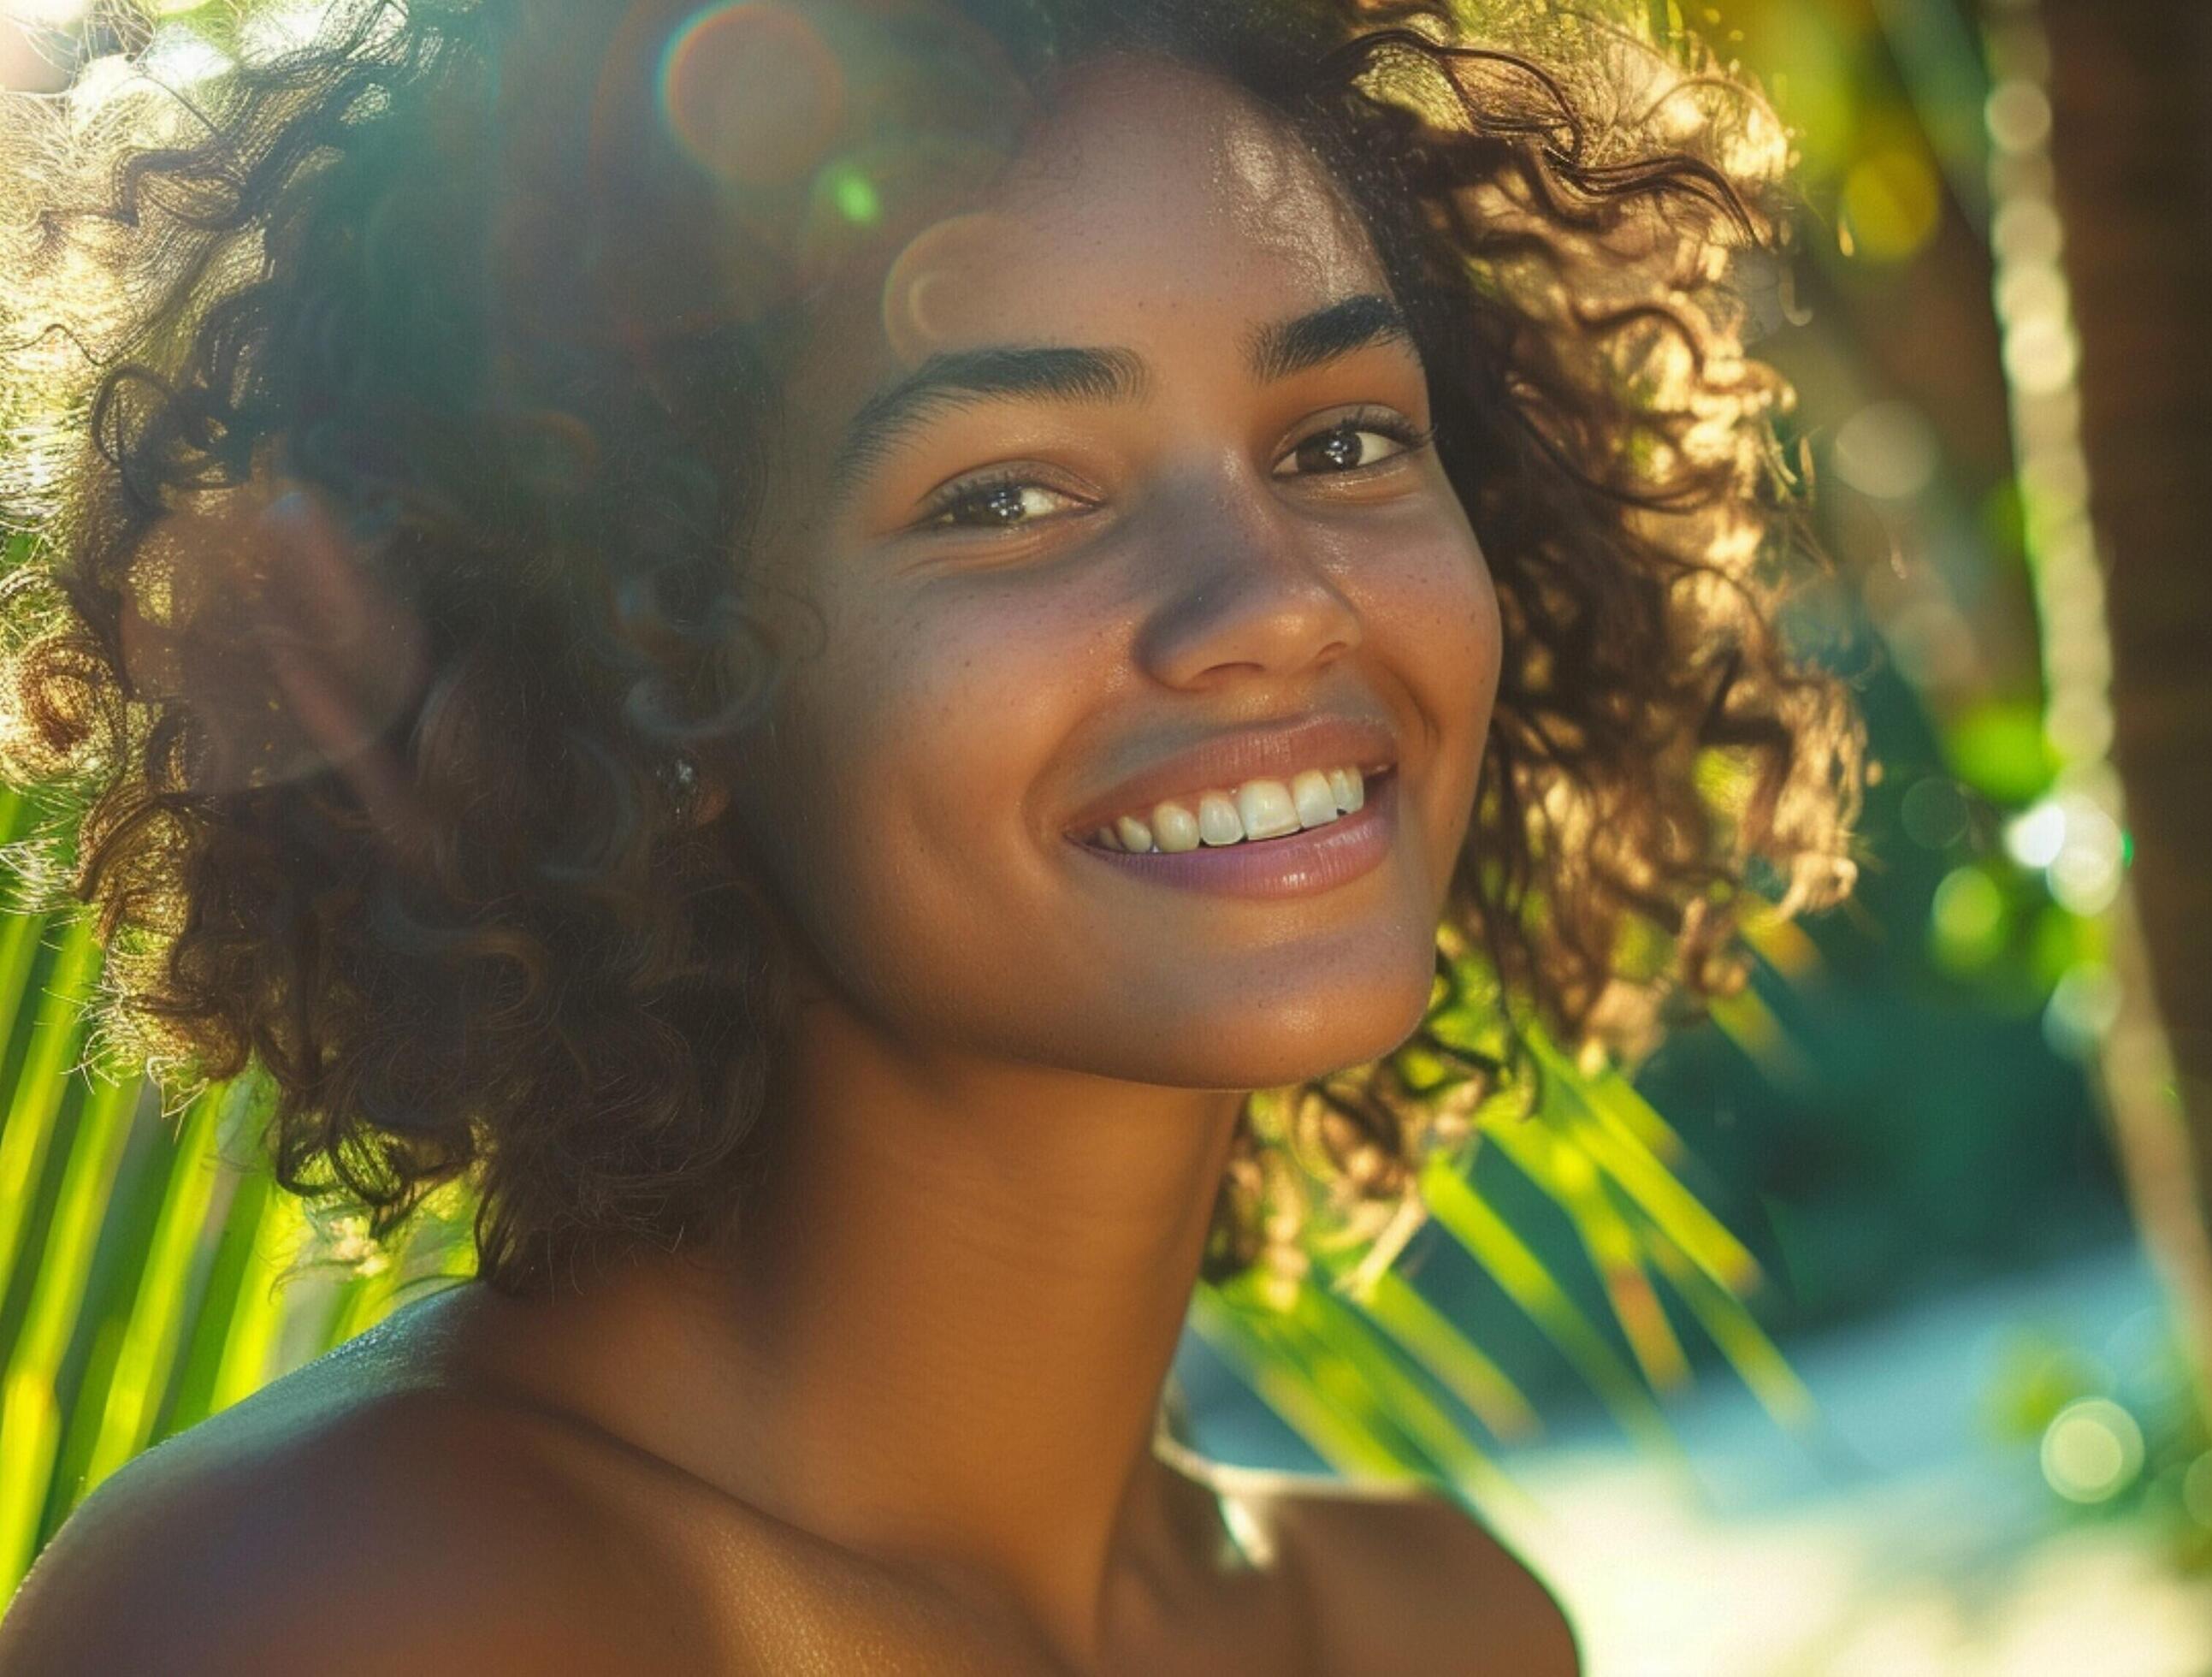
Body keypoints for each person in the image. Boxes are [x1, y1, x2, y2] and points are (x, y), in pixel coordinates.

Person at [0, 0, 1860, 1668]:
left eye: (1343, 441)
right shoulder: (344, 1609)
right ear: (646, 671)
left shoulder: (1445, 1628)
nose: (1278, 599)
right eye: (1009, 492)